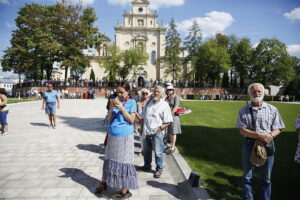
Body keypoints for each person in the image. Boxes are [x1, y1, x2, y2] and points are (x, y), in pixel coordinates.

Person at [236, 83, 285, 200]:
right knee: (247, 176)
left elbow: (279, 128)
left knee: (266, 178)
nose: (256, 93)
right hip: (249, 145)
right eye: (253, 91)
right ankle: (248, 198)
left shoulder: (272, 109)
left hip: (267, 145)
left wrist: (269, 136)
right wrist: (258, 135)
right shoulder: (243, 110)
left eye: (259, 91)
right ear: (249, 94)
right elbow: (242, 130)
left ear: (263, 93)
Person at [96, 83, 138, 199]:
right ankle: (105, 182)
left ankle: (125, 189)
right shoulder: (114, 101)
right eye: (117, 92)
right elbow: (108, 120)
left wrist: (122, 109)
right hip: (112, 135)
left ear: (128, 92)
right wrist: (110, 109)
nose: (118, 94)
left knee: (124, 161)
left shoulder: (132, 103)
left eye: (121, 92)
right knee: (110, 159)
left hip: (125, 137)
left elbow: (131, 120)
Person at [137, 86, 173, 178]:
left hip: (157, 132)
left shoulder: (164, 105)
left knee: (158, 151)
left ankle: (159, 168)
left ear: (162, 94)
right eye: (155, 91)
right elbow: (143, 116)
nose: (156, 93)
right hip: (146, 131)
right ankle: (147, 166)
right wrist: (141, 128)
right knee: (147, 150)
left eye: (158, 92)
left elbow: (168, 121)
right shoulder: (148, 102)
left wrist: (160, 128)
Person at [165, 84, 182, 153]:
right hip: (167, 116)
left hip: (174, 116)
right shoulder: (166, 98)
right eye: (168, 90)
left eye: (171, 90)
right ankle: (171, 144)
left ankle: (173, 146)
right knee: (169, 131)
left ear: (173, 90)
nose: (169, 91)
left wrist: (170, 114)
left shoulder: (176, 97)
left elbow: (176, 107)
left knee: (173, 131)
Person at [135, 88, 150, 156]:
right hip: (140, 120)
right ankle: (143, 149)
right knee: (141, 135)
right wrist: (138, 118)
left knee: (147, 135)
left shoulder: (150, 102)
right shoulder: (138, 102)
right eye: (143, 93)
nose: (145, 95)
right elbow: (135, 111)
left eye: (146, 93)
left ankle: (147, 149)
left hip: (148, 121)